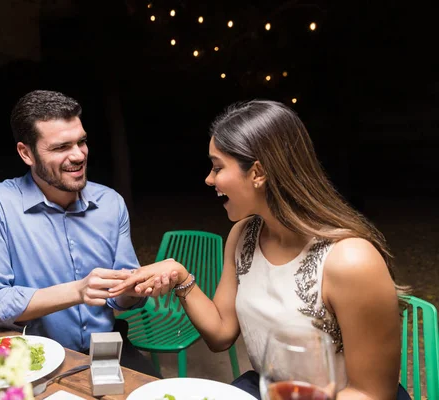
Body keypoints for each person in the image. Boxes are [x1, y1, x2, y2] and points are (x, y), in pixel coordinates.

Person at [110, 100, 411, 399]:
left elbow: (371, 393)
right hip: (271, 390)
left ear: (258, 173)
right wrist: (180, 276)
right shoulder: (243, 235)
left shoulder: (352, 260)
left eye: (217, 167)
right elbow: (221, 334)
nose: (209, 179)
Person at [0, 89, 170, 377]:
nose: (78, 156)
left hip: (107, 349)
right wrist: (77, 291)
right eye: (61, 147)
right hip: (35, 357)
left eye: (82, 142)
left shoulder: (111, 203)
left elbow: (120, 299)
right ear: (27, 153)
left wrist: (134, 291)